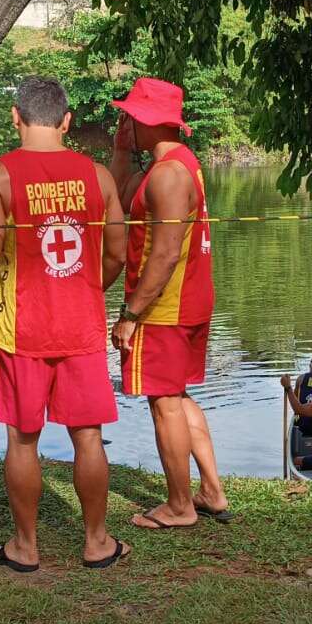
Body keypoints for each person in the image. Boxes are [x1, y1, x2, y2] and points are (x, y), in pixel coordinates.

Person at [0, 76, 130, 572]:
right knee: (87, 436)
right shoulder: (99, 178)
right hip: (84, 329)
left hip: (20, 330)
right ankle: (97, 541)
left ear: (16, 117)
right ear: (67, 121)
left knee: (22, 438)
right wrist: (88, 289)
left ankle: (25, 547)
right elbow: (117, 253)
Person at [107, 77, 230, 529]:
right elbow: (117, 202)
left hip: (165, 309)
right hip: (183, 303)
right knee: (175, 395)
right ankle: (210, 492)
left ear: (146, 120)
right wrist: (122, 149)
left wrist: (130, 314)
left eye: (129, 117)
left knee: (164, 403)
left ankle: (179, 506)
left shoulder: (171, 175)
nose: (124, 122)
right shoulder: (170, 166)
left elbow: (165, 252)